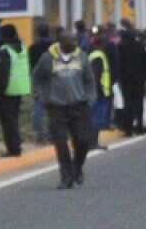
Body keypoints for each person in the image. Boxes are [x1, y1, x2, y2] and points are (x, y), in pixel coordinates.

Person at [33, 29, 96, 189]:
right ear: (61, 43)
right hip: (57, 108)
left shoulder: (81, 57)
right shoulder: (48, 58)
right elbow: (37, 77)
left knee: (83, 141)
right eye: (70, 42)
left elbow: (89, 80)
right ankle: (66, 177)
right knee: (60, 143)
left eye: (75, 41)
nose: (74, 44)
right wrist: (41, 96)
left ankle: (77, 167)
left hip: (79, 106)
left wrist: (90, 97)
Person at [0, 24, 30, 157]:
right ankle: (16, 145)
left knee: (8, 121)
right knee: (14, 119)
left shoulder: (5, 50)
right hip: (20, 88)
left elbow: (3, 73)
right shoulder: (23, 47)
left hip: (7, 89)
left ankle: (13, 149)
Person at [117, 22, 146, 136]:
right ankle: (139, 126)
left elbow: (119, 63)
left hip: (126, 79)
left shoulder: (121, 47)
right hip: (139, 79)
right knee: (139, 103)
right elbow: (145, 62)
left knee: (128, 104)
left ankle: (128, 129)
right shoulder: (140, 46)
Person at [28, 23, 53, 143]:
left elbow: (31, 64)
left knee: (38, 106)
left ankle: (40, 134)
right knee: (53, 108)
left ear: (38, 33)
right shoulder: (54, 47)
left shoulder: (33, 47)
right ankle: (52, 134)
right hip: (53, 78)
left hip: (38, 79)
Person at [88, 33, 113, 141]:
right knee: (97, 118)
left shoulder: (94, 55)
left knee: (95, 117)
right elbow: (96, 75)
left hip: (98, 91)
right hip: (100, 92)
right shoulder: (98, 56)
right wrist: (98, 90)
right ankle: (93, 141)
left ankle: (93, 141)